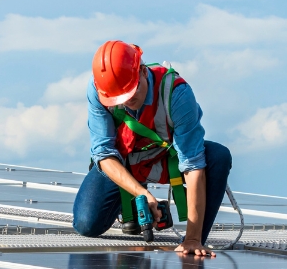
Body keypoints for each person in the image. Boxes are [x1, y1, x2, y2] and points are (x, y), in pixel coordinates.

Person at [73, 41, 232, 257]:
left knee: (217, 157)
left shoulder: (177, 93)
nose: (127, 102)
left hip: (164, 159)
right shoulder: (100, 91)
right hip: (124, 163)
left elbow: (193, 165)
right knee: (86, 224)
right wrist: (142, 193)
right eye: (121, 98)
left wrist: (193, 239)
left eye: (131, 92)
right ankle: (126, 205)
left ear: (143, 71)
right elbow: (103, 153)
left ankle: (194, 240)